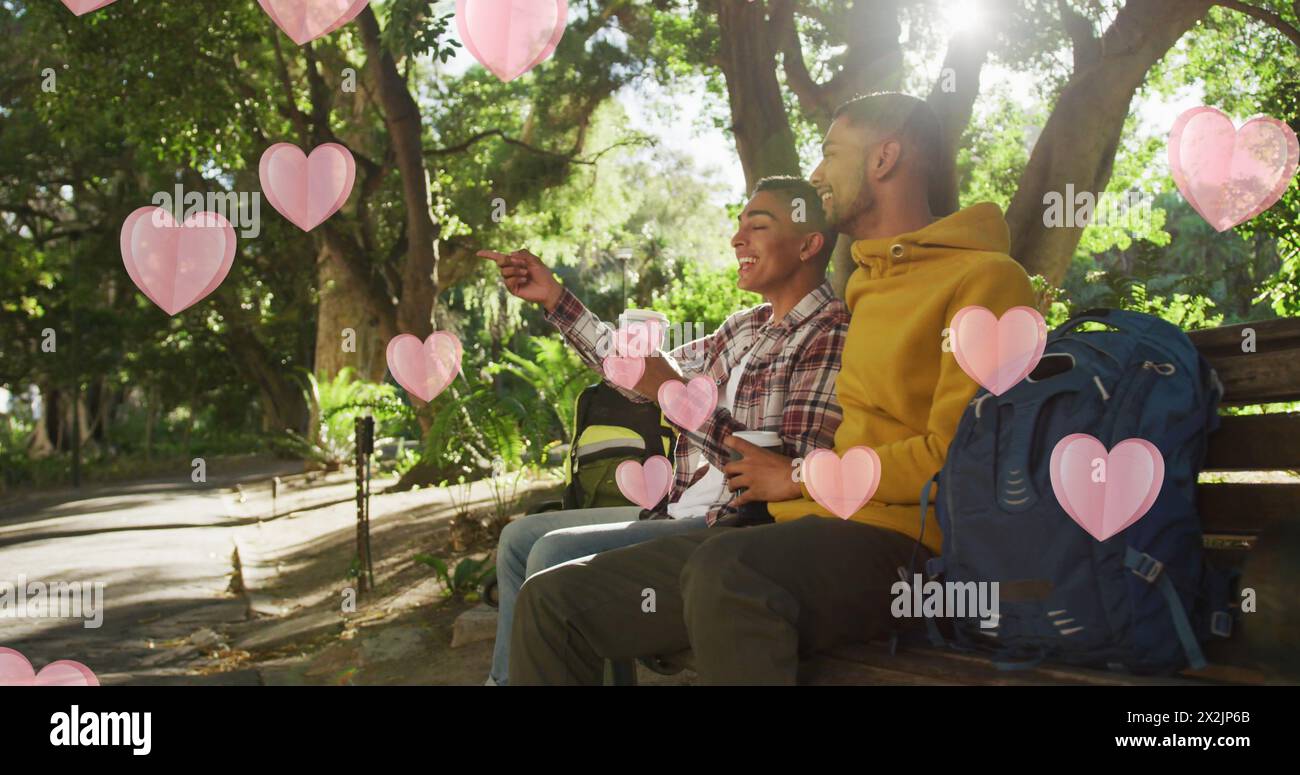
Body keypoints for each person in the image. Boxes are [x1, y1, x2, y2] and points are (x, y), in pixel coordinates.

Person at [508, 92, 1040, 685]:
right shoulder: (864, 287)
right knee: (553, 600)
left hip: (906, 549)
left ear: (885, 157)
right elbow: (643, 372)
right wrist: (559, 303)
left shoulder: (985, 280)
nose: (817, 175)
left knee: (727, 572)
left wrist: (796, 475)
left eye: (831, 153)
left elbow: (958, 462)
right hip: (795, 527)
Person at [475, 176, 850, 685]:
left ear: (809, 244)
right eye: (738, 226)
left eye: (757, 226)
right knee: (519, 539)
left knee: (551, 555)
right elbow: (640, 374)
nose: (738, 239)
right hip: (673, 507)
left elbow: (782, 477)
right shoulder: (744, 328)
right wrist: (557, 300)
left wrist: (673, 395)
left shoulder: (829, 333)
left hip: (730, 531)